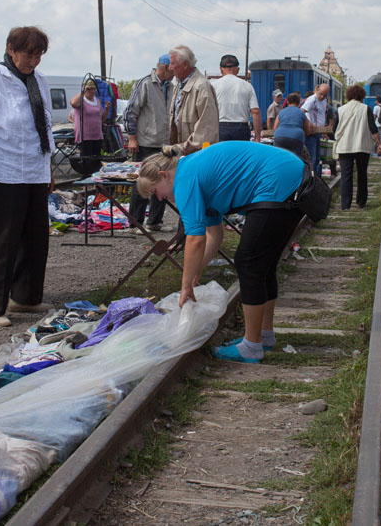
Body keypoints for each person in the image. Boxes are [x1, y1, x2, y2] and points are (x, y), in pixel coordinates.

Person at [136, 141, 305, 363]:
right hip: (289, 174)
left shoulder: (184, 180)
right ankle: (263, 336)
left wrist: (185, 285)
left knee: (249, 262)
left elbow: (195, 240)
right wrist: (197, 271)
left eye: (155, 191)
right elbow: (214, 234)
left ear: (163, 176)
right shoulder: (191, 169)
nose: (159, 198)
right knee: (263, 263)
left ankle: (252, 346)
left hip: (278, 181)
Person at [0, 26, 55, 327]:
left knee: (35, 238)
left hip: (34, 171)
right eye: (29, 55)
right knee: (2, 241)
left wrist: (48, 169)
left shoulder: (39, 80)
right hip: (3, 172)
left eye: (39, 56)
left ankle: (25, 297)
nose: (34, 61)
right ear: (11, 50)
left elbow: (45, 128)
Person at [124, 54, 173, 232]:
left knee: (163, 181)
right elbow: (130, 111)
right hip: (146, 142)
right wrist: (132, 137)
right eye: (173, 69)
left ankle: (154, 221)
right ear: (165, 68)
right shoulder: (145, 83)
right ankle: (134, 223)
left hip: (165, 144)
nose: (175, 73)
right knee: (142, 182)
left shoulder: (171, 86)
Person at [335, 85, 381, 210]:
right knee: (362, 174)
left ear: (348, 95)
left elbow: (335, 128)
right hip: (362, 146)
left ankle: (345, 204)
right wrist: (379, 144)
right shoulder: (366, 109)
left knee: (346, 176)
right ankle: (361, 201)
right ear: (362, 96)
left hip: (345, 146)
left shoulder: (340, 110)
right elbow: (373, 128)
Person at [167, 44, 219, 154]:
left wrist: (183, 147)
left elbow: (206, 128)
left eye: (172, 63)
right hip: (184, 153)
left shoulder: (201, 86)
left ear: (185, 64)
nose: (170, 68)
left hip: (198, 154)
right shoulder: (178, 85)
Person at [211, 54, 262, 142]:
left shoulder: (213, 86)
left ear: (221, 69)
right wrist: (257, 137)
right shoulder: (247, 86)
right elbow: (255, 112)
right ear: (238, 70)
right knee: (240, 151)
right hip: (241, 129)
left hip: (220, 128)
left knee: (223, 151)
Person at [71, 78, 108, 159]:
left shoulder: (97, 101)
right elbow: (73, 104)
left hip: (97, 135)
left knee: (97, 160)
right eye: (89, 89)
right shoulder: (81, 100)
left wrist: (107, 109)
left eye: (94, 89)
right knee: (87, 160)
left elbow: (102, 119)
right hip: (85, 136)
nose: (92, 91)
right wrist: (83, 90)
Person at [272, 92, 312, 163]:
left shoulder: (281, 112)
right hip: (296, 137)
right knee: (296, 159)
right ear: (299, 102)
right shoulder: (301, 113)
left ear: (287, 102)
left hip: (280, 137)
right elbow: (307, 129)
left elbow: (275, 127)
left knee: (279, 159)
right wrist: (304, 136)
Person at [301, 83, 330, 173]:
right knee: (312, 158)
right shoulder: (312, 100)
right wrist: (309, 123)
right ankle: (311, 176)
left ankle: (317, 176)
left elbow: (322, 116)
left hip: (318, 132)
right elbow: (301, 112)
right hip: (311, 133)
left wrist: (324, 132)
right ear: (317, 90)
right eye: (321, 94)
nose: (322, 97)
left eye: (325, 95)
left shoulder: (324, 101)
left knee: (317, 158)